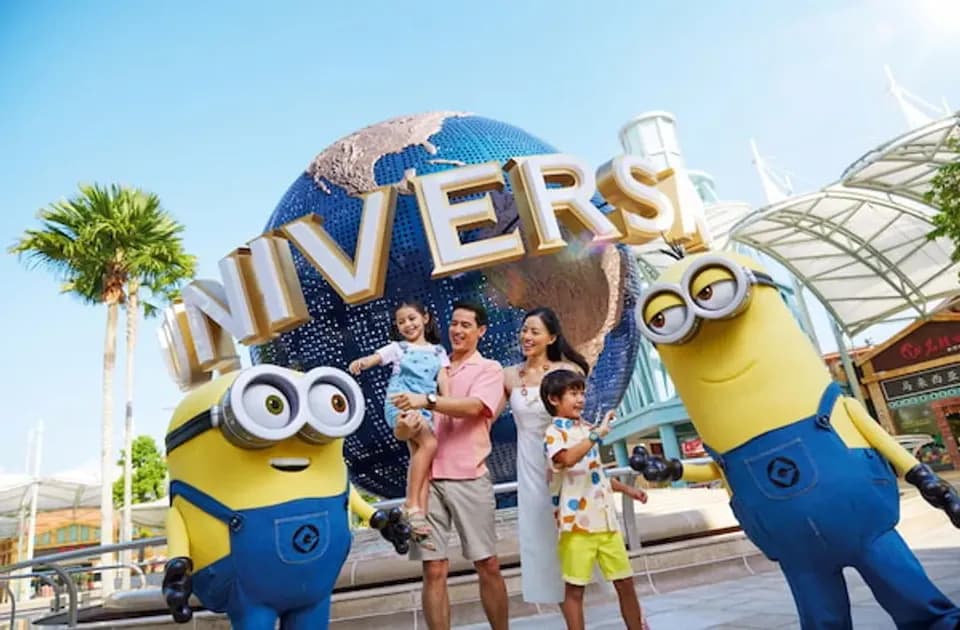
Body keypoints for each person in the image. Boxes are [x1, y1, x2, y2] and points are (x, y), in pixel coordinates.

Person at [390, 301, 509, 630]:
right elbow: (402, 430)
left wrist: (427, 400)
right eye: (454, 323)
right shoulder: (426, 363)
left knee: (488, 563)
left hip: (469, 478)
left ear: (481, 331)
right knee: (433, 569)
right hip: (425, 486)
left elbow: (474, 407)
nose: (457, 330)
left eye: (466, 325)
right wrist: (405, 426)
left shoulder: (489, 369)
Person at [541, 369, 649, 630]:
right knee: (575, 589)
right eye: (573, 393)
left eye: (582, 393)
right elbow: (566, 459)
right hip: (576, 525)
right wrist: (595, 435)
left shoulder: (587, 429)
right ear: (554, 399)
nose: (580, 399)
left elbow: (596, 473)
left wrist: (628, 490)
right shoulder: (554, 433)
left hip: (606, 522)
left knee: (625, 582)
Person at [504, 306, 590, 605]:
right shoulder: (508, 375)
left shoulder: (568, 371)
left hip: (564, 461)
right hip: (529, 466)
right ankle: (562, 606)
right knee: (541, 536)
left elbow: (579, 419)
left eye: (535, 331)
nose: (526, 336)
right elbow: (483, 412)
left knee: (577, 531)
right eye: (524, 330)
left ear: (552, 337)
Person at [349, 300, 449, 550]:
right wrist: (362, 363)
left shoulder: (439, 352)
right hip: (400, 404)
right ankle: (411, 504)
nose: (407, 324)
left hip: (424, 409)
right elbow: (375, 358)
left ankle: (417, 524)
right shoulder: (398, 348)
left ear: (425, 318)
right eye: (401, 321)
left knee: (420, 462)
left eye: (412, 318)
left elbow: (444, 384)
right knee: (429, 444)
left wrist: (447, 407)